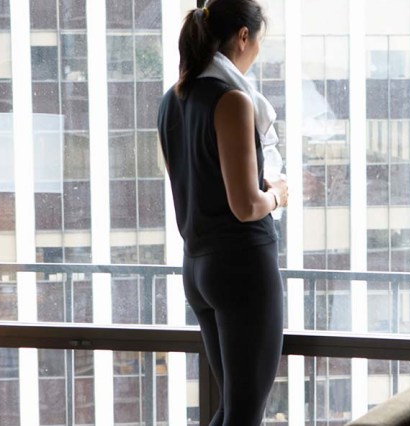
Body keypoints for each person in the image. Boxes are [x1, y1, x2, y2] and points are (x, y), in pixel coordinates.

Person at [157, 0, 289, 424]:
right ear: (243, 37)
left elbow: (196, 182)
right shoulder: (232, 99)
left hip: (197, 267)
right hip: (242, 267)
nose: (257, 52)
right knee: (244, 414)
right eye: (259, 41)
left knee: (232, 410)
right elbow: (246, 205)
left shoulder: (172, 100)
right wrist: (278, 195)